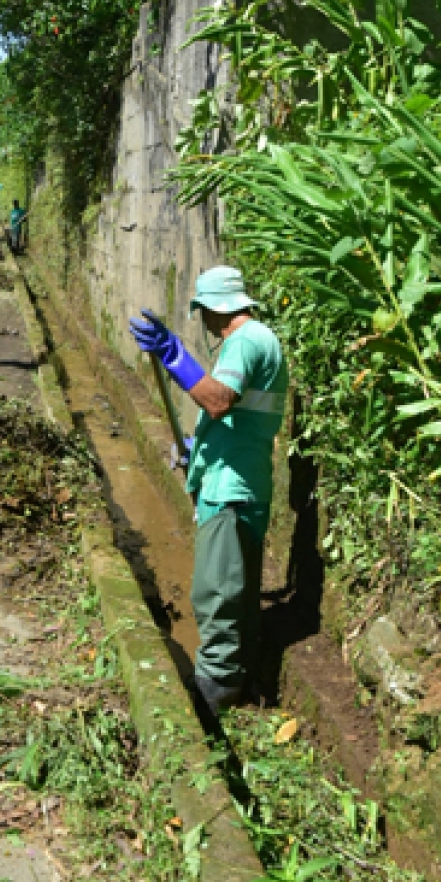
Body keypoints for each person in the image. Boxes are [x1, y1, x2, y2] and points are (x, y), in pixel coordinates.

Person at [129, 265, 288, 717]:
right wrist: (199, 447)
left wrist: (176, 357)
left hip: (231, 488)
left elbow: (217, 400)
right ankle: (240, 676)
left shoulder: (244, 340)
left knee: (215, 592)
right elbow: (240, 417)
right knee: (237, 592)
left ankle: (213, 692)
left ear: (209, 310)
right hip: (241, 477)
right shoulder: (262, 341)